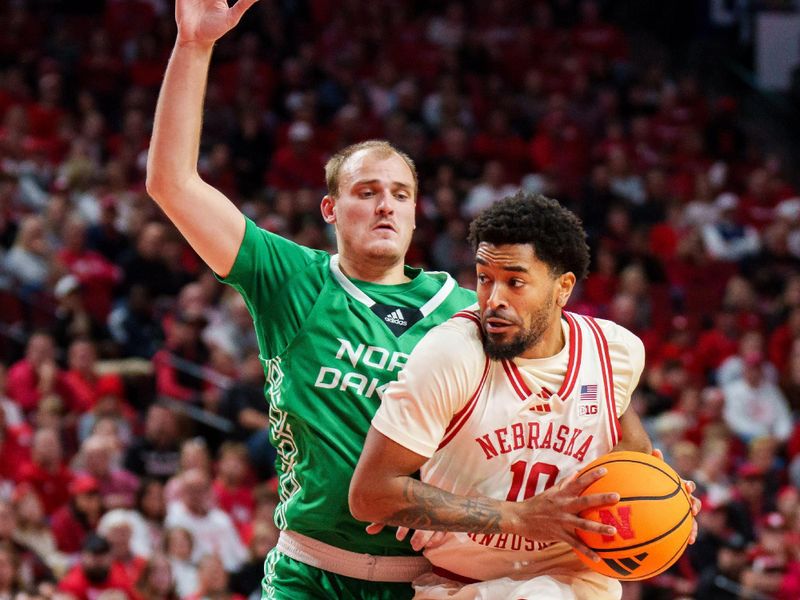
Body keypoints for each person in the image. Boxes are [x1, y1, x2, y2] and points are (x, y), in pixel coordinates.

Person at [145, 1, 478, 597]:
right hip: (308, 573)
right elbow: (171, 183)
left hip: (427, 582)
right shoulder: (292, 278)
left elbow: (555, 390)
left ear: (415, 213)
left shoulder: (464, 310)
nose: (385, 205)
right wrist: (193, 48)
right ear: (330, 209)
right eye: (367, 191)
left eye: (400, 194)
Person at [350, 193, 699, 599]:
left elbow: (627, 444)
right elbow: (369, 494)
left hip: (574, 580)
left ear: (562, 287)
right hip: (460, 584)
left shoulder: (615, 352)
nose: (493, 299)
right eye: (484, 278)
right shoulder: (451, 354)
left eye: (514, 282)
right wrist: (518, 518)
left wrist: (665, 502)